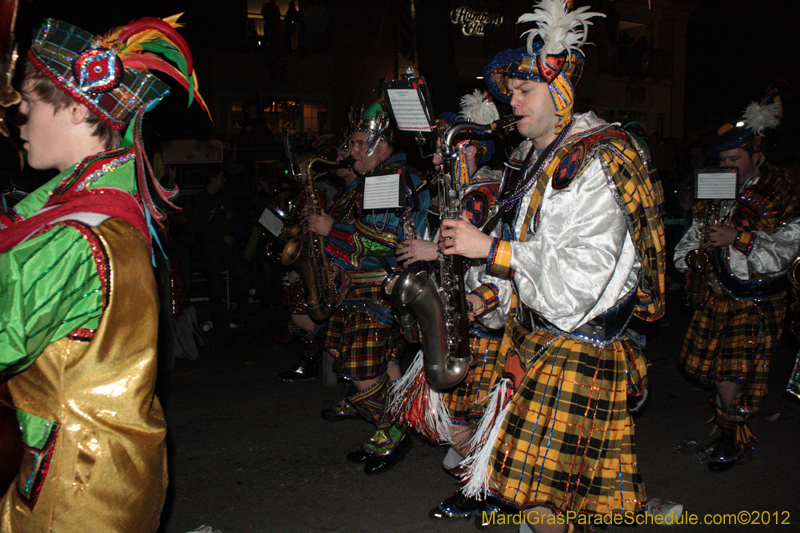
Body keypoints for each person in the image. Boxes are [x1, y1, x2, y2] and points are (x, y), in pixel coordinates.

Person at [437, 1, 666, 530]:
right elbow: (529, 251)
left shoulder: (600, 155)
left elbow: (581, 278)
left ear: (560, 93)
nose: (511, 101)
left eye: (525, 90)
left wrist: (489, 250)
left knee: (544, 500)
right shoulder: (529, 159)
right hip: (532, 340)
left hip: (577, 346)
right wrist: (487, 296)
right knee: (537, 499)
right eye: (510, 92)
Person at [0, 15, 208, 532]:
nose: (18, 120)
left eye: (29, 103)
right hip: (108, 475)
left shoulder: (77, 232)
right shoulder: (105, 211)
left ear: (76, 108)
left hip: (71, 489)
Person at [385, 95, 508, 520]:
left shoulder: (484, 194)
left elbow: (490, 259)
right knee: (452, 420)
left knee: (458, 419)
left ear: (469, 150)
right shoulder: (456, 192)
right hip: (459, 318)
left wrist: (431, 251)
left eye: (443, 151)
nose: (435, 159)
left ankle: (487, 488)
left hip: (481, 322)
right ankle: (484, 483)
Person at [674, 83, 800, 472]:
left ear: (756, 155)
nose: (727, 165)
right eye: (723, 159)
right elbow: (692, 237)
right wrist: (692, 259)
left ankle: (731, 434)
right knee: (710, 370)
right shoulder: (716, 186)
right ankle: (731, 424)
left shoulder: (780, 190)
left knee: (733, 371)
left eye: (735, 158)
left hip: (758, 299)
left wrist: (739, 239)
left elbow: (787, 249)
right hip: (716, 294)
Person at [307, 102, 430, 474]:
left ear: (382, 146)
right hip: (362, 288)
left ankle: (394, 429)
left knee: (360, 370)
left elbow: (383, 242)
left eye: (361, 143)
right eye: (353, 143)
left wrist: (331, 230)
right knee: (379, 363)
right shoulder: (375, 178)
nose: (352, 150)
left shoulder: (388, 179)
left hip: (379, 290)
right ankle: (390, 429)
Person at [192, 166, 252, 330]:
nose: (224, 181)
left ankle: (243, 313)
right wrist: (220, 235)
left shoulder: (225, 196)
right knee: (215, 283)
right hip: (212, 245)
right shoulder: (201, 199)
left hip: (230, 244)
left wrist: (230, 226)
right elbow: (201, 226)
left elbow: (234, 216)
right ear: (212, 179)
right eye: (221, 177)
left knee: (240, 277)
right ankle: (218, 316)